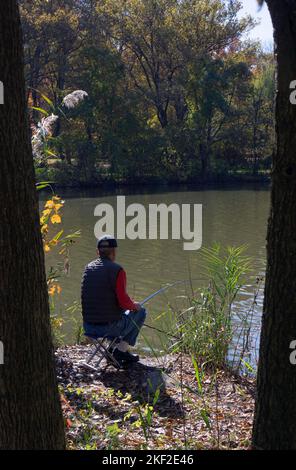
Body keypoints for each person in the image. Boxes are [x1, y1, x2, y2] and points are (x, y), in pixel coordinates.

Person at [81, 235, 147, 364]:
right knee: (141, 312)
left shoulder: (88, 268)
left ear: (97, 251)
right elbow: (123, 302)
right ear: (114, 252)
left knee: (119, 314)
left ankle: (111, 349)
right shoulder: (117, 270)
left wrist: (127, 304)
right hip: (109, 328)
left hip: (88, 327)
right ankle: (119, 351)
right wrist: (135, 306)